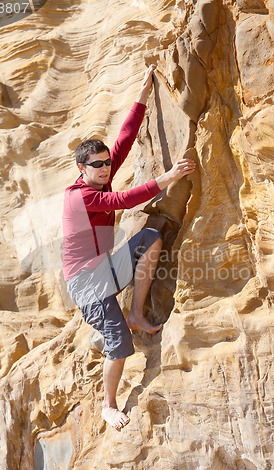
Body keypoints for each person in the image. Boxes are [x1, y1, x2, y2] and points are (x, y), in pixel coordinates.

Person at [62, 64, 196, 429]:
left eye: (107, 163)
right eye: (98, 165)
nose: (106, 168)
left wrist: (142, 93)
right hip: (86, 283)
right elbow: (121, 201)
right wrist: (167, 178)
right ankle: (108, 404)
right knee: (119, 342)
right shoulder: (81, 197)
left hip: (104, 268)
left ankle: (136, 312)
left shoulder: (99, 173)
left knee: (151, 239)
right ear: (81, 167)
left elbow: (123, 138)